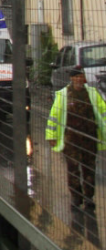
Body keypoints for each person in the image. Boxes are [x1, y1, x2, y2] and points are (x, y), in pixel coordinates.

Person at [46, 68, 106, 213]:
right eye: (77, 77)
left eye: (82, 77)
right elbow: (54, 116)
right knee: (73, 169)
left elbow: (103, 111)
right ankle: (76, 198)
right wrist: (51, 136)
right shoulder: (63, 95)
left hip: (89, 139)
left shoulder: (92, 93)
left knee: (89, 169)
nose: (80, 79)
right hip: (71, 140)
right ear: (71, 78)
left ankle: (89, 198)